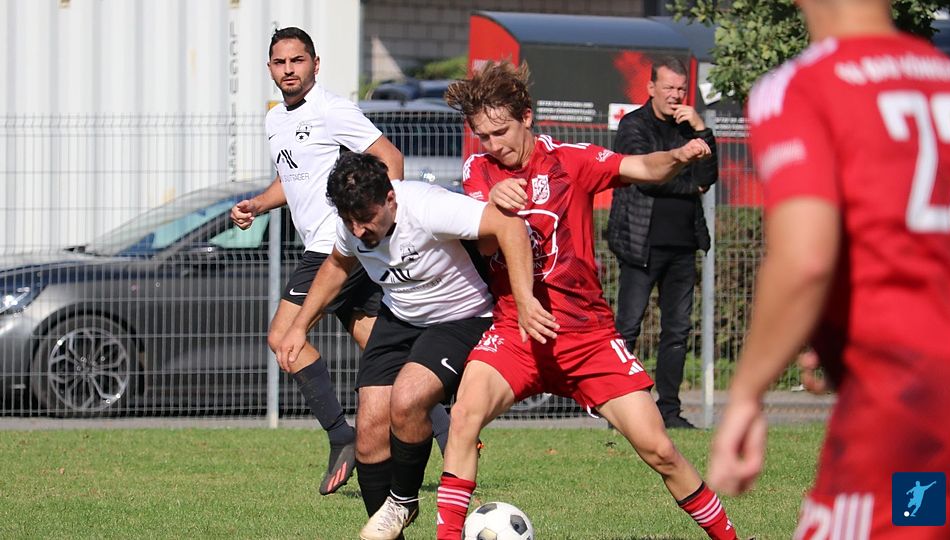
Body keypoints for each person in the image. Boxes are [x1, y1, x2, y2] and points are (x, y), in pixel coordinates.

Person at [435, 60, 737, 540]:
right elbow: (486, 241)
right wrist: (492, 203)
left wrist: (679, 155)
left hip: (586, 337)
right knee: (464, 417)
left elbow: (642, 167)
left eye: (501, 132)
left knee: (660, 449)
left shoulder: (570, 161)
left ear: (527, 117)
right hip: (517, 333)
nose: (493, 145)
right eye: (483, 136)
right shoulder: (479, 169)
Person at [707, 0, 950, 537]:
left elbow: (805, 258)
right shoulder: (948, 79)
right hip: (937, 394)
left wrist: (747, 393)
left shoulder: (802, 85)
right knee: (924, 522)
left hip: (905, 399)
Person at [275, 152, 552, 540]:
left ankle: (403, 501)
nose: (358, 230)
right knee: (369, 433)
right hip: (399, 318)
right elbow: (337, 265)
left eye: (365, 219)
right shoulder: (353, 224)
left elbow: (508, 225)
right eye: (349, 221)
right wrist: (298, 326)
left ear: (390, 199)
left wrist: (524, 300)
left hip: (461, 317)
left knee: (407, 398)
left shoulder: (427, 207)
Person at [230, 27, 449, 496]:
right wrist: (258, 204)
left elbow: (389, 157)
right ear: (270, 69)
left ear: (315, 63)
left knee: (283, 337)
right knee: (380, 347)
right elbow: (292, 179)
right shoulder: (275, 120)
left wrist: (381, 227)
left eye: (297, 60)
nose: (289, 70)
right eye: (280, 62)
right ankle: (451, 435)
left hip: (333, 247)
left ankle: (340, 434)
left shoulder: (332, 110)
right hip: (334, 247)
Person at [608, 56, 718, 429]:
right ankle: (618, 410)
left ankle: (669, 410)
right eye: (668, 87)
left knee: (677, 331)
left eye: (681, 89)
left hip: (683, 246)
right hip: (641, 244)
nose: (675, 95)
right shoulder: (634, 125)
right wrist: (691, 183)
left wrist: (702, 130)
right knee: (628, 327)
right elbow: (645, 177)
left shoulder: (689, 127)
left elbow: (708, 176)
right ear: (651, 88)